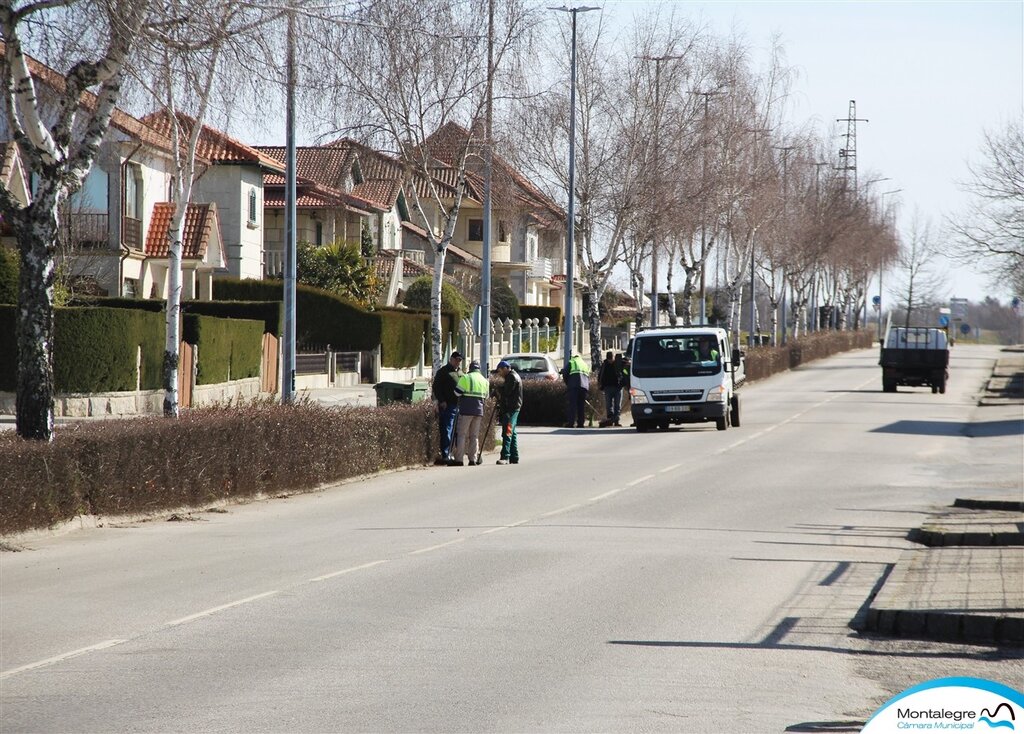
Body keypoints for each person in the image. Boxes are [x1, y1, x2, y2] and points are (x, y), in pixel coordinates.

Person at [451, 359, 489, 466]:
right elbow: (486, 396)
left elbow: (457, 393)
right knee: (474, 436)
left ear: (470, 368)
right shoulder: (484, 380)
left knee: (462, 434)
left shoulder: (466, 377)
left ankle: (459, 460)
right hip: (479, 411)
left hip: (466, 410)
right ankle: (473, 459)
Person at [431, 351, 463, 465]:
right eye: (456, 360)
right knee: (447, 430)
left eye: (460, 360)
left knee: (456, 432)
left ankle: (452, 453)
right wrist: (442, 400)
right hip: (448, 405)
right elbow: (436, 387)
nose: (458, 362)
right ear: (451, 359)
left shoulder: (460, 372)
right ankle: (445, 454)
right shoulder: (443, 371)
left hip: (459, 406)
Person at [494, 360, 522, 465]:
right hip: (514, 408)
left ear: (505, 368)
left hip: (512, 408)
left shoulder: (512, 377)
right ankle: (514, 457)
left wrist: (498, 389)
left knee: (508, 431)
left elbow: (507, 392)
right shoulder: (513, 376)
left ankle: (505, 456)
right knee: (512, 433)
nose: (499, 374)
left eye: (500, 371)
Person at [562, 352, 590, 428]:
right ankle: (581, 423)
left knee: (573, 405)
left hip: (574, 386)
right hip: (584, 387)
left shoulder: (572, 362)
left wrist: (568, 383)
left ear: (573, 357)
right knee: (581, 406)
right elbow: (588, 376)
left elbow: (565, 373)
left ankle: (571, 423)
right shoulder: (584, 364)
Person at [598, 351, 621, 427]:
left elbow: (623, 373)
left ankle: (616, 421)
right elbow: (600, 375)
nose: (610, 361)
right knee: (609, 405)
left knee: (617, 405)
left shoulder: (617, 364)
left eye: (611, 359)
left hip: (617, 387)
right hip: (607, 388)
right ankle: (610, 420)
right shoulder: (604, 365)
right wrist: (601, 385)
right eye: (609, 359)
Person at [613, 352, 628, 426]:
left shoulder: (613, 364)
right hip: (619, 387)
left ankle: (613, 419)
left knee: (613, 405)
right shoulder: (624, 364)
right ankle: (616, 420)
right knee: (617, 405)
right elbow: (625, 374)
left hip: (614, 386)